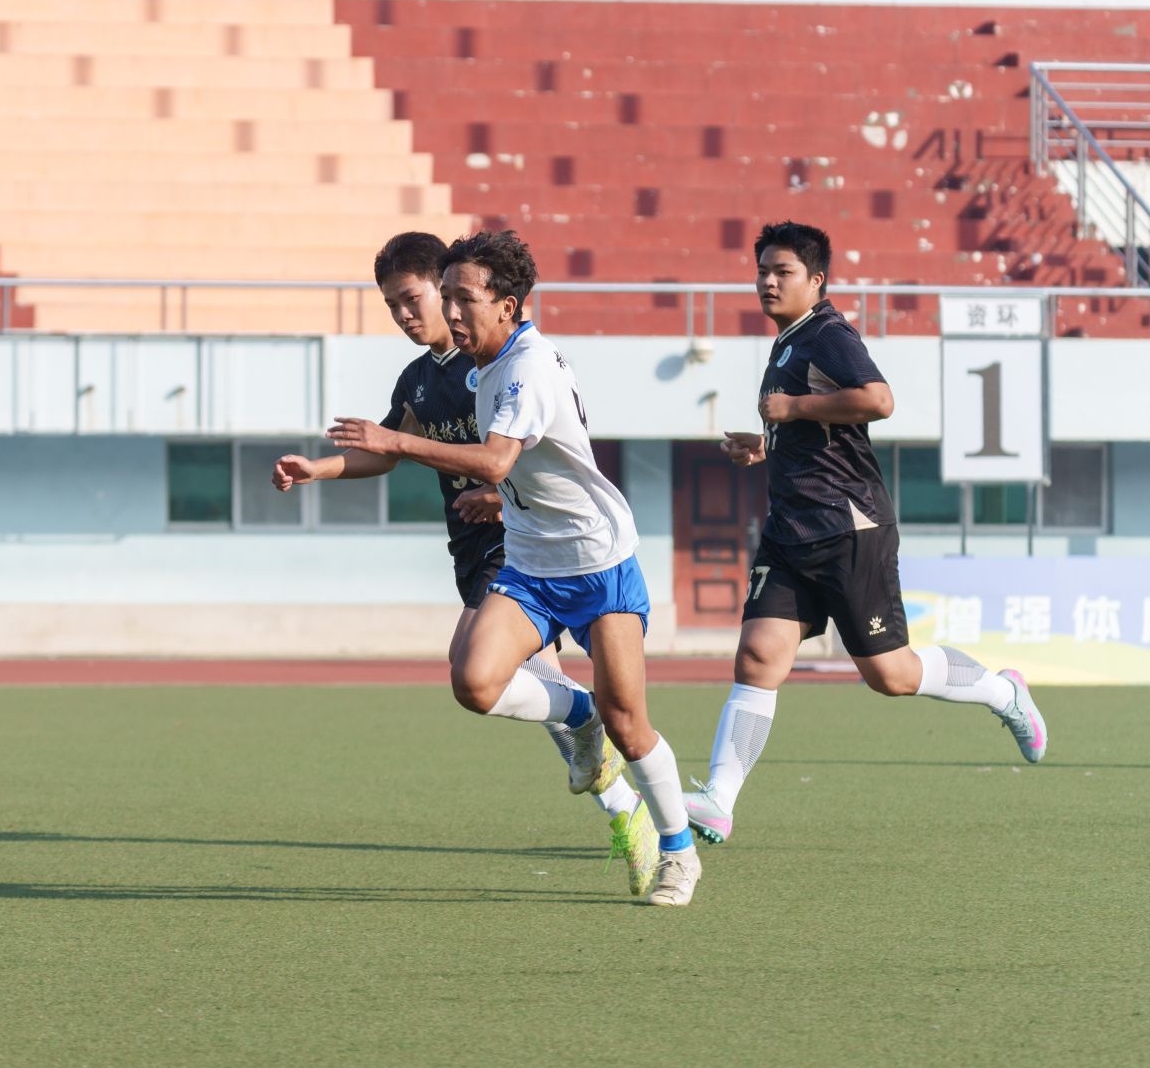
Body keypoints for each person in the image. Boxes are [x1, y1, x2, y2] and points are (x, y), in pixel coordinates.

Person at [272, 232, 659, 895]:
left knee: (479, 668)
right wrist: (320, 468)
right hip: (471, 547)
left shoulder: (502, 364)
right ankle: (625, 805)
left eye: (414, 298)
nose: (406, 315)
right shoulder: (420, 379)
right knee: (537, 684)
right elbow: (387, 451)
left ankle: (623, 788)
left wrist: (502, 495)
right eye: (392, 306)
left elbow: (538, 458)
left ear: (450, 291)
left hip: (525, 543)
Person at [684, 222, 1047, 843]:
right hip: (789, 530)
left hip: (848, 527)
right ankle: (719, 800)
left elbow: (878, 400)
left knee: (891, 676)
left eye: (783, 272)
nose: (768, 282)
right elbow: (820, 435)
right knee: (758, 655)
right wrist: (767, 443)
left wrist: (793, 408)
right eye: (762, 271)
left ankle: (1001, 691)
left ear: (816, 281)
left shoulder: (828, 334)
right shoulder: (786, 343)